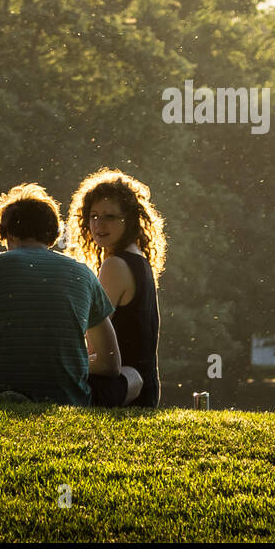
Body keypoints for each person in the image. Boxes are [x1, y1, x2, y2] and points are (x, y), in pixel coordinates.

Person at [0, 183, 122, 405]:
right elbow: (111, 364)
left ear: (6, 233)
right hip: (67, 397)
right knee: (134, 378)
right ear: (54, 234)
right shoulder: (82, 273)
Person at [67, 168, 165, 408]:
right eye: (94, 215)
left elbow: (92, 342)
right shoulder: (138, 259)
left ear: (129, 220)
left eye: (110, 217)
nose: (100, 224)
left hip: (125, 385)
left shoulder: (115, 266)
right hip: (145, 385)